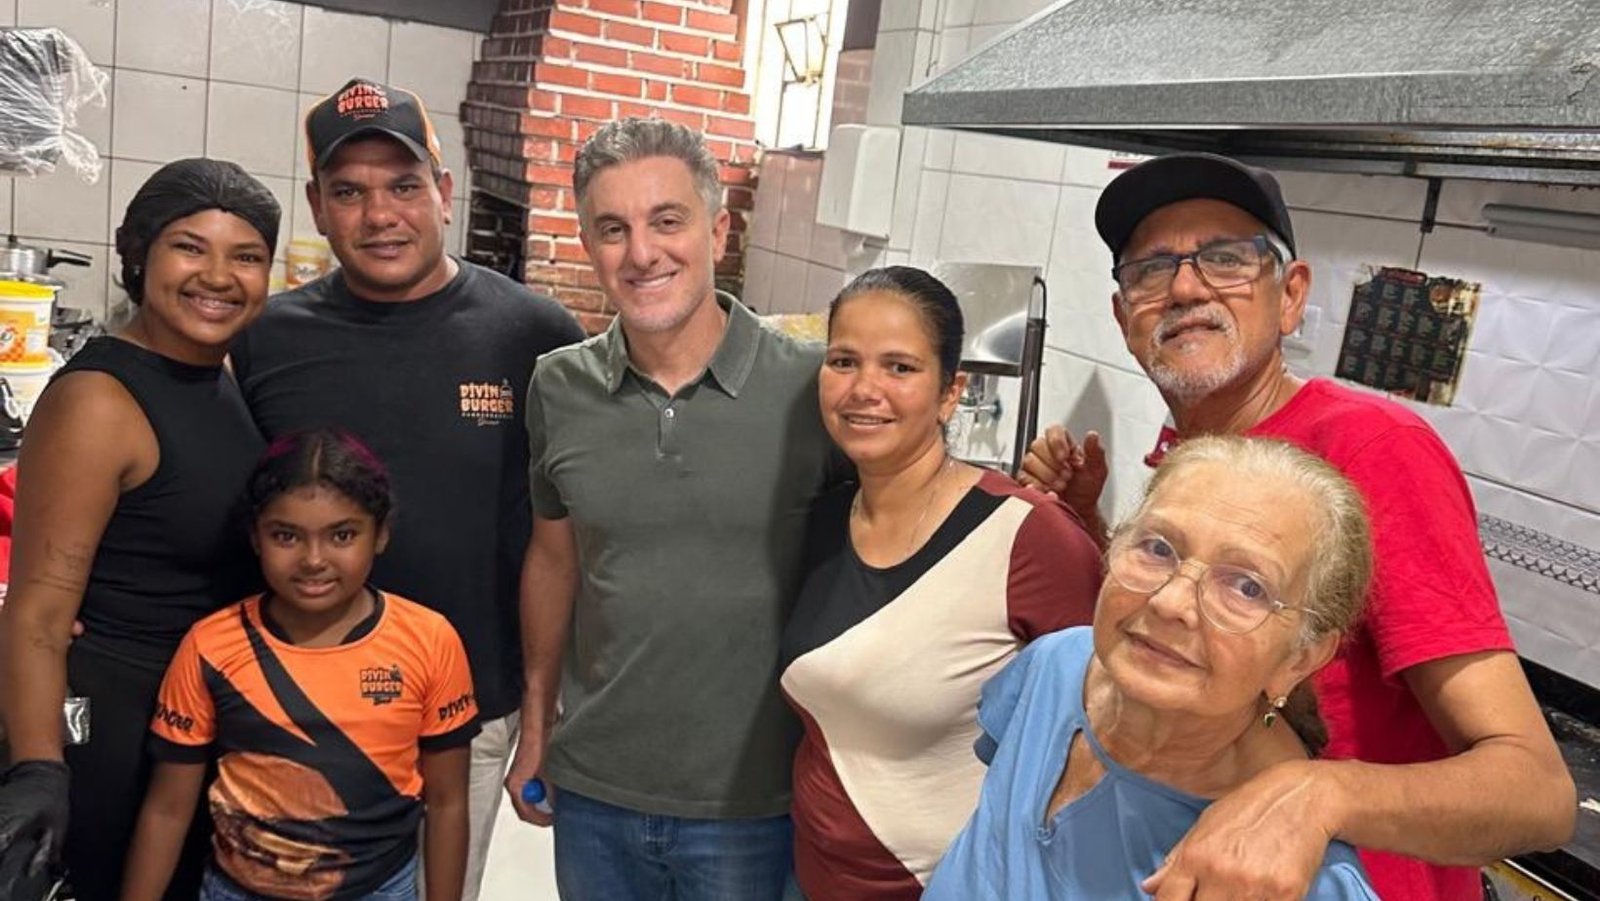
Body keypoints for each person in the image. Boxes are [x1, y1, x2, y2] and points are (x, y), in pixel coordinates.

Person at [1021, 152, 1574, 900]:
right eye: (1151, 269)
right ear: (1124, 319)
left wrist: (1317, 793)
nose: (1186, 287)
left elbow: (1536, 790)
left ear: (1291, 297)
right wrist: (1086, 521)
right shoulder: (1194, 452)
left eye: (1226, 259)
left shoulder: (1373, 451)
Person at [228, 78, 585, 901]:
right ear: (317, 207)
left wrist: (539, 718)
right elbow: (221, 509)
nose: (379, 215)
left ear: (444, 192)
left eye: (403, 185)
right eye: (349, 192)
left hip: (471, 716)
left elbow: (557, 542)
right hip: (292, 709)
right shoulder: (266, 341)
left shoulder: (534, 336)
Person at [507, 117, 845, 899]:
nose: (642, 253)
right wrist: (536, 727)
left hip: (756, 803)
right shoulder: (557, 387)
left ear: (719, 228)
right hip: (595, 790)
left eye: (667, 220)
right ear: (588, 244)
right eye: (612, 229)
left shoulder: (812, 386)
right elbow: (555, 560)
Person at [928, 435, 1380, 900]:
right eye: (1158, 548)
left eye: (1246, 587)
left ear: (1299, 658)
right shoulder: (1056, 665)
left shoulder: (1291, 881)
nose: (1170, 602)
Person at [0, 158, 279, 901]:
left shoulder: (217, 374)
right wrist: (38, 768)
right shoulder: (99, 400)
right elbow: (38, 610)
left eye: (246, 256)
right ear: (138, 254)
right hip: (111, 734)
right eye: (190, 246)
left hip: (193, 724)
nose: (217, 276)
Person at [779, 266, 1102, 899]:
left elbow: (1096, 748)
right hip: (810, 876)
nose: (864, 389)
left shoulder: (1028, 539)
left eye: (900, 368)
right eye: (844, 360)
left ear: (951, 392)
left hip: (947, 885)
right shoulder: (818, 522)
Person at [121, 429, 479, 901]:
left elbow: (448, 802)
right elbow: (167, 809)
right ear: (255, 536)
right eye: (286, 535)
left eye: (342, 535)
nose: (313, 560)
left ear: (382, 534)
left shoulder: (430, 641)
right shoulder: (212, 645)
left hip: (380, 890)